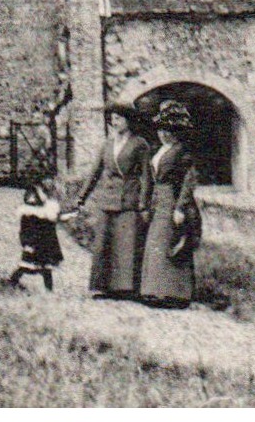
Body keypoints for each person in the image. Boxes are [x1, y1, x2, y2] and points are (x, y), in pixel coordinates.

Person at [73, 99, 154, 299]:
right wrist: (82, 196)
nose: (114, 121)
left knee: (126, 246)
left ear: (128, 120)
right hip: (107, 200)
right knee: (105, 244)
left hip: (129, 201)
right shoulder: (107, 144)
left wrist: (143, 204)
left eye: (118, 118)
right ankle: (105, 288)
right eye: (112, 118)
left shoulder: (139, 144)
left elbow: (146, 176)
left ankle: (127, 289)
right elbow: (95, 172)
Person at [138, 97, 202, 309]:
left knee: (170, 241)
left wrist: (181, 207)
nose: (164, 133)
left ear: (177, 132)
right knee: (157, 241)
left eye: (169, 130)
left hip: (172, 199)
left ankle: (175, 293)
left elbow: (189, 180)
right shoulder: (160, 151)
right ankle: (154, 290)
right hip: (159, 199)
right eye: (161, 129)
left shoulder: (182, 152)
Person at [8, 179, 72, 291]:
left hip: (44, 245)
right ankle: (11, 282)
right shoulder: (28, 212)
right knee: (25, 266)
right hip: (33, 243)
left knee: (46, 269)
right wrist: (26, 243)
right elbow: (25, 230)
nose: (32, 199)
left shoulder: (48, 209)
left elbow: (55, 219)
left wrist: (69, 215)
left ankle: (49, 290)